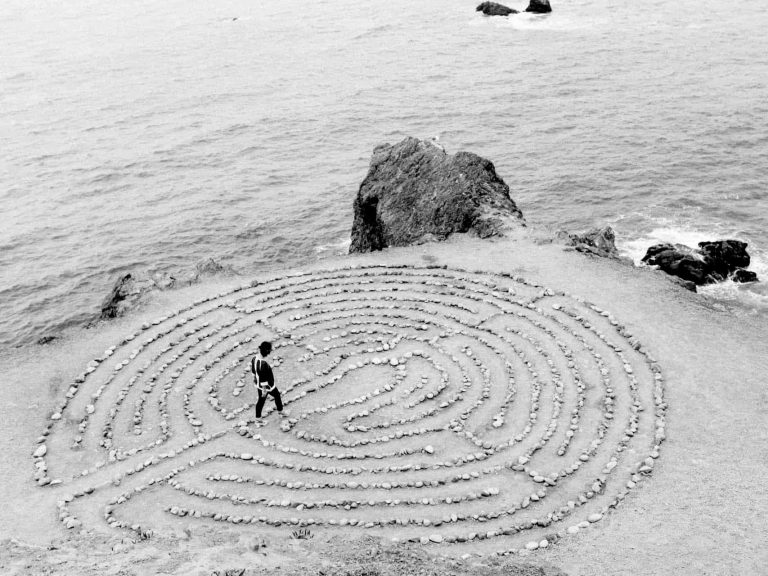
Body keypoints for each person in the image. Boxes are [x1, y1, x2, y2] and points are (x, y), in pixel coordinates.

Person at [252, 340, 283, 421]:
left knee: (261, 401)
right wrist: (265, 390)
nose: (269, 353)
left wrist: (256, 379)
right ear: (266, 351)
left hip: (258, 384)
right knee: (277, 395)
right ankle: (280, 411)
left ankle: (258, 418)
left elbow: (253, 371)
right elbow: (264, 378)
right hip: (267, 386)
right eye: (269, 351)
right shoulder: (263, 364)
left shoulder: (254, 359)